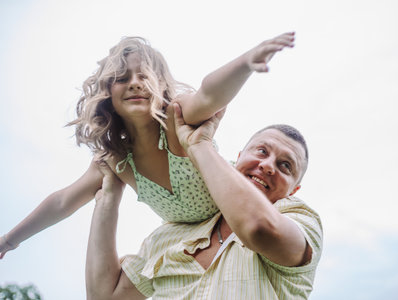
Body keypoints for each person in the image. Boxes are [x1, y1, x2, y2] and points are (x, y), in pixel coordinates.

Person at [0, 32, 296, 259]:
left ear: (162, 85)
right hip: (192, 237)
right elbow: (63, 201)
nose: (135, 83)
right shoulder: (116, 161)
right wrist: (9, 240)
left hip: (243, 211)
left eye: (144, 75)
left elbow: (208, 95)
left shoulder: (177, 118)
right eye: (122, 78)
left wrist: (245, 63)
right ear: (107, 93)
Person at [85, 104, 323, 299]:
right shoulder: (176, 230)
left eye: (285, 165)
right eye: (261, 151)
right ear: (239, 158)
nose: (268, 165)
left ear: (294, 190)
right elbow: (104, 296)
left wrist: (199, 146)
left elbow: (259, 228)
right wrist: (108, 198)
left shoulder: (302, 221)